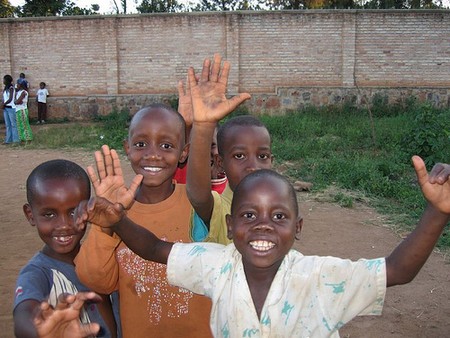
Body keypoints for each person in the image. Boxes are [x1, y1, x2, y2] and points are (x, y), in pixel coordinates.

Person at [69, 156, 450, 337]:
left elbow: (397, 270)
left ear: (298, 227)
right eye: (249, 216)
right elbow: (154, 248)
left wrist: (436, 213)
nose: (264, 224)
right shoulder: (216, 264)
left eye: (279, 216)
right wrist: (118, 220)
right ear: (231, 226)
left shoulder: (322, 277)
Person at [74, 104, 213, 337]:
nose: (152, 154)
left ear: (183, 152)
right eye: (141, 144)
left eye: (166, 145)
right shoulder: (118, 210)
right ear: (127, 148)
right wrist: (105, 224)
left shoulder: (199, 206)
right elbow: (98, 282)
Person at [13, 159, 117, 338]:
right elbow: (24, 313)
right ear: (30, 215)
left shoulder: (103, 256)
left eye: (73, 212)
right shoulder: (37, 273)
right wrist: (39, 331)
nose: (64, 225)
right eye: (49, 214)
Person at [186, 54, 273, 244]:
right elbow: (198, 196)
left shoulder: (279, 204)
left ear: (272, 161)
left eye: (263, 155)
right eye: (240, 155)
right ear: (220, 162)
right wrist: (203, 125)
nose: (253, 165)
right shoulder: (219, 207)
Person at [174, 80, 228, 194]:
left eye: (212, 145)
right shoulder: (181, 175)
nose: (204, 151)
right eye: (197, 145)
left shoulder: (230, 186)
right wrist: (186, 126)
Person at [2, 74, 19, 145]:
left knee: (13, 124)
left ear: (7, 80)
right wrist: (3, 103)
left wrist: (4, 104)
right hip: (6, 108)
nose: (3, 81)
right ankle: (8, 140)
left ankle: (16, 140)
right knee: (8, 125)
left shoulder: (11, 88)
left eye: (4, 79)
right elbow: (5, 98)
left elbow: (10, 98)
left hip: (11, 108)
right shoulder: (5, 88)